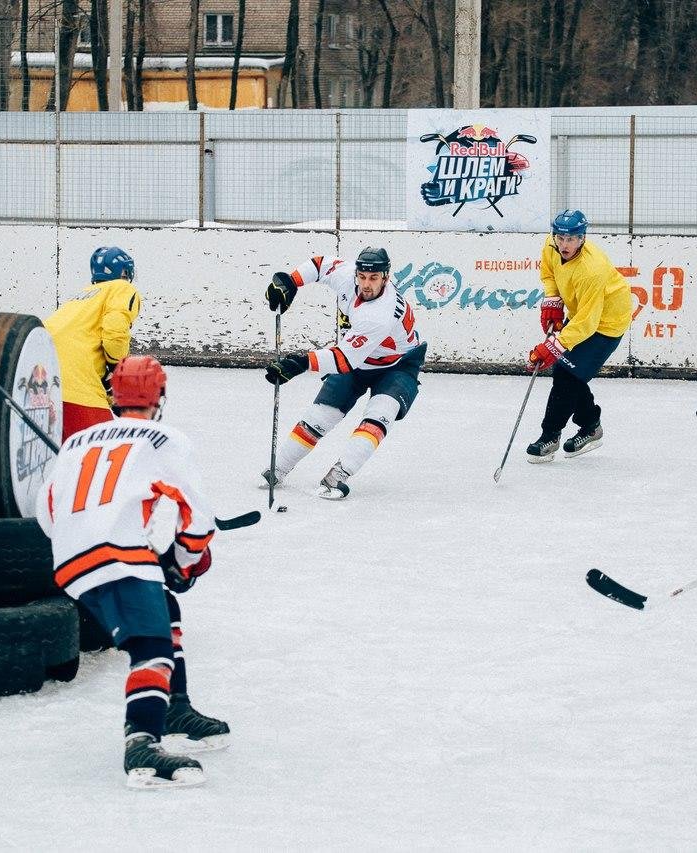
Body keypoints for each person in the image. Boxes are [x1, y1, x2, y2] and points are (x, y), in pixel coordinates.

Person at [35, 355, 229, 789]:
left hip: (69, 559)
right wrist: (183, 561)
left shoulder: (76, 442)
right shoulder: (164, 439)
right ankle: (142, 741)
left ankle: (175, 705)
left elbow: (45, 511)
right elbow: (197, 518)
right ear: (159, 396)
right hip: (116, 554)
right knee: (152, 649)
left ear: (113, 395)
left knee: (165, 605)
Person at [262, 247, 427, 499]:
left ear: (386, 277)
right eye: (362, 277)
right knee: (320, 416)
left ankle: (339, 475)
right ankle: (278, 470)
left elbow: (343, 359)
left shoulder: (379, 315)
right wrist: (291, 281)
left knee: (379, 416)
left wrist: (299, 363)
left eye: (374, 278)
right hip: (358, 361)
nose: (366, 284)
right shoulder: (347, 274)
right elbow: (318, 265)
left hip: (398, 365)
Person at [525, 209, 633, 463]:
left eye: (571, 239)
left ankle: (549, 437)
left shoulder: (592, 269)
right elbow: (549, 273)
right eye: (560, 237)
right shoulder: (550, 246)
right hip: (585, 313)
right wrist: (553, 301)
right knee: (570, 371)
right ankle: (590, 426)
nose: (564, 244)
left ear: (582, 238)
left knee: (567, 373)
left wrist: (552, 347)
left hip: (607, 322)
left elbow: (587, 322)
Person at [44, 246, 143, 441]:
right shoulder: (122, 288)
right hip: (78, 392)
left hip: (42, 388)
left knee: (63, 462)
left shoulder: (80, 298)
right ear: (124, 272)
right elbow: (114, 332)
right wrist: (118, 367)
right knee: (104, 457)